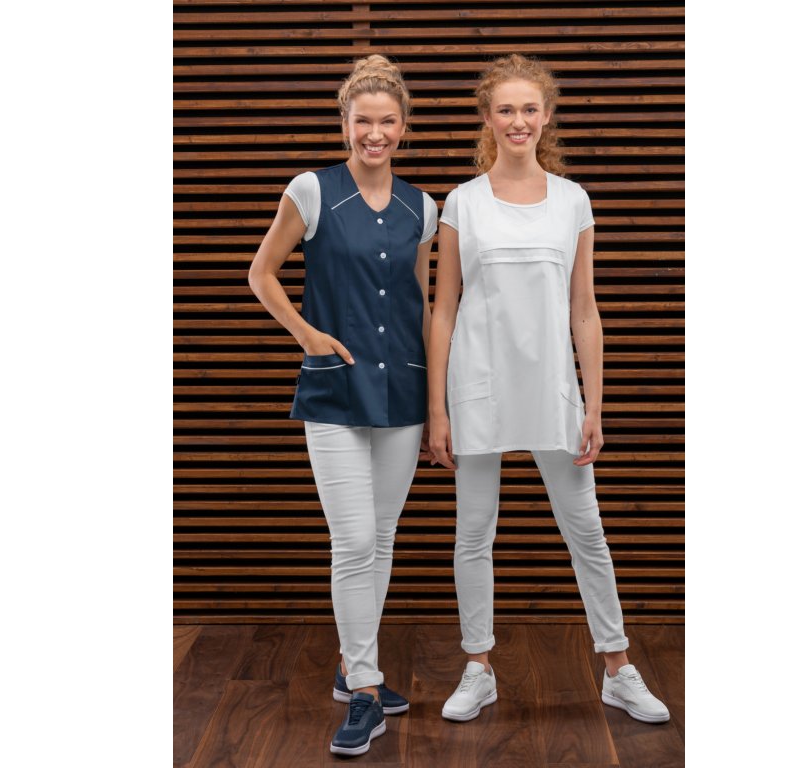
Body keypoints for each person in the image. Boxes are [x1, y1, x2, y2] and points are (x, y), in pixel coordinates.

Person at [426, 54, 670, 725]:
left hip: (552, 387)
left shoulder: (572, 200)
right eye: (505, 109)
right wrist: (436, 409)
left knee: (585, 529)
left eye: (529, 109)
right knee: (473, 533)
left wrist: (595, 404)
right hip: (477, 385)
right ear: (487, 117)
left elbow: (584, 311)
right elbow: (442, 311)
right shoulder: (463, 203)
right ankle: (478, 667)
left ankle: (617, 668)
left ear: (547, 116)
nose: (518, 121)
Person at [248, 54, 437, 756]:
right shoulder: (312, 190)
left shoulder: (424, 207)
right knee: (354, 540)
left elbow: (422, 303)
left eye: (388, 122)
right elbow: (261, 272)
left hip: (404, 391)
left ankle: (352, 667)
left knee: (380, 538)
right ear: (345, 123)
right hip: (333, 388)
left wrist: (437, 403)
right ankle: (364, 688)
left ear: (404, 126)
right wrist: (307, 335)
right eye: (364, 121)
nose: (375, 134)